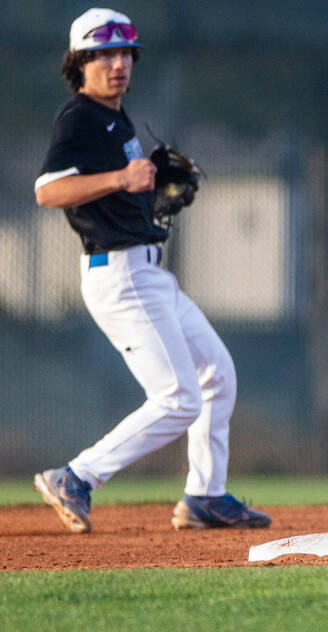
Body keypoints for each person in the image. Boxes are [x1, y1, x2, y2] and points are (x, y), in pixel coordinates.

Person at [32, 8, 270, 533]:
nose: (117, 64)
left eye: (124, 54)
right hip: (120, 276)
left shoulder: (115, 119)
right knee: (179, 398)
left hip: (149, 274)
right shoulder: (80, 117)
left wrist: (138, 185)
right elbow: (47, 190)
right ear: (80, 63)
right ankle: (77, 476)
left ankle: (205, 496)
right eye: (103, 55)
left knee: (217, 374)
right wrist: (120, 177)